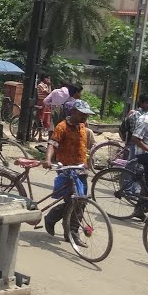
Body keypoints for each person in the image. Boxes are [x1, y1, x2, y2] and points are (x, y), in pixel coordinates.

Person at [42, 99, 94, 244]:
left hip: (81, 170)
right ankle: (62, 225)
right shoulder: (62, 127)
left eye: (86, 115)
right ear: (73, 112)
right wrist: (48, 160)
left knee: (81, 201)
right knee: (71, 201)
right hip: (67, 170)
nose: (85, 117)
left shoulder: (83, 126)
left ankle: (70, 231)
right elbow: (52, 144)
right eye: (82, 114)